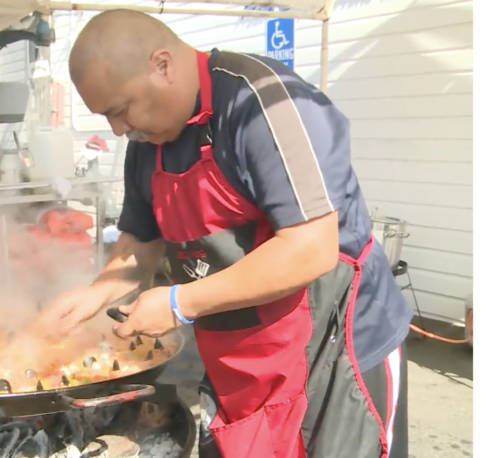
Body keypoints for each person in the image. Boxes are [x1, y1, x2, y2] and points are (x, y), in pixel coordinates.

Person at [41, 10, 410, 458]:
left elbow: (310, 249)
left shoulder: (265, 103)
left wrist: (179, 303)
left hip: (337, 354)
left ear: (163, 65)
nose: (119, 129)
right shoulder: (145, 145)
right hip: (238, 357)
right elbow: (140, 243)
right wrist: (95, 295)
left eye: (120, 110)